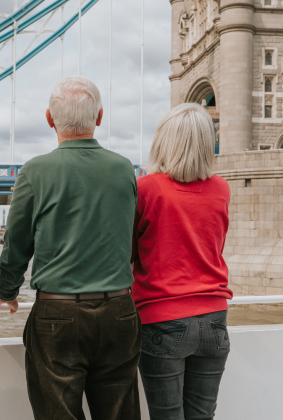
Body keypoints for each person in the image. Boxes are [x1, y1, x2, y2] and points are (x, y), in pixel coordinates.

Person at [0, 76, 141, 420]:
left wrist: (7, 291)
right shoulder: (124, 170)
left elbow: (16, 244)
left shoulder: (34, 172)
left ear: (49, 118)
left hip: (57, 316)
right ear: (99, 117)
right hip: (120, 308)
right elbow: (128, 237)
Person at [131, 103, 233, 420]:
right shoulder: (222, 189)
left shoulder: (145, 189)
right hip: (215, 319)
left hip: (161, 318)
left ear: (163, 140)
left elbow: (128, 253)